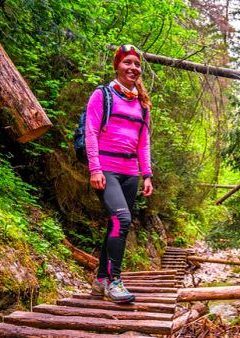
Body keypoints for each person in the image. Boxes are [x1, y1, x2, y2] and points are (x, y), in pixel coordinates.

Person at [86, 44, 153, 303]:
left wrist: (146, 174)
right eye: (127, 63)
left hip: (130, 173)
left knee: (116, 224)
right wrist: (95, 168)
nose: (133, 68)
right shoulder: (102, 94)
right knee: (121, 220)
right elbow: (91, 132)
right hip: (106, 170)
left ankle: (101, 279)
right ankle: (115, 281)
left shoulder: (143, 104)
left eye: (137, 64)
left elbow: (143, 142)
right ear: (117, 66)